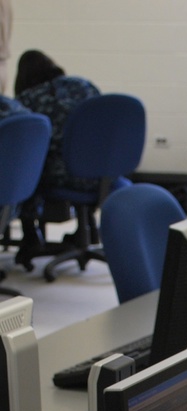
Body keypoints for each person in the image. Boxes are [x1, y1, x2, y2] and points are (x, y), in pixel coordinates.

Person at [13, 50, 101, 260]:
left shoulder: (30, 99)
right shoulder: (84, 86)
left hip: (65, 174)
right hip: (103, 172)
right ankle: (88, 228)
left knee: (26, 171)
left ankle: (30, 236)